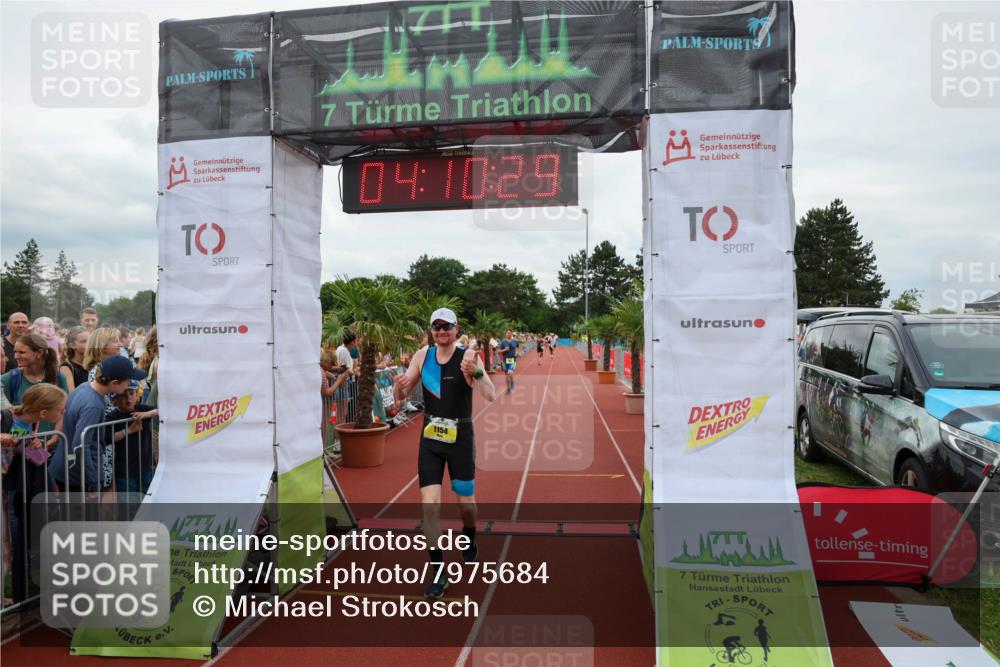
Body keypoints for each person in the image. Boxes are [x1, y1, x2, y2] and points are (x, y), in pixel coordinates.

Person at [394, 308, 495, 599]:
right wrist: (401, 390)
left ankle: (469, 535)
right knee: (430, 505)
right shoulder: (421, 356)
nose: (441, 331)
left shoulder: (467, 357)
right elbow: (402, 395)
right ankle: (439, 571)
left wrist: (475, 372)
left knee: (467, 505)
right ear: (431, 330)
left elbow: (490, 394)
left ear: (456, 328)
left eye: (446, 326)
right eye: (436, 327)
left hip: (460, 437)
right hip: (431, 439)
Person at [2, 383, 67, 602]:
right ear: (44, 412)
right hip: (9, 491)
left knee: (21, 540)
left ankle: (20, 594)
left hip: (22, 488)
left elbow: (28, 452)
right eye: (60, 409)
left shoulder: (32, 423)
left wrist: (34, 444)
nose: (63, 413)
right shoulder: (6, 417)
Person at [49, 356, 146, 494]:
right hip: (79, 477)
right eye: (128, 381)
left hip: (68, 470)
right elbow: (81, 445)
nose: (129, 384)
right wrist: (93, 480)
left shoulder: (84, 387)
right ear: (115, 383)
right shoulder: (94, 405)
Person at [104, 379, 157, 499]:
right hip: (125, 471)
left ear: (137, 395)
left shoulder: (142, 409)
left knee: (147, 500)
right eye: (123, 395)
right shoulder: (113, 416)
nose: (128, 398)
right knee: (129, 506)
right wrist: (129, 430)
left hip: (145, 467)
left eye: (131, 393)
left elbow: (161, 410)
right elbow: (107, 438)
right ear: (114, 399)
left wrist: (147, 414)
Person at [59, 326, 90, 392]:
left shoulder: (93, 364)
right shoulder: (66, 367)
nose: (89, 344)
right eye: (84, 341)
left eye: (90, 340)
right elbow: (72, 396)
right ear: (72, 345)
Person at [498, 329, 518, 394]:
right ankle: (508, 388)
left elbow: (518, 347)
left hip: (512, 359)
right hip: (505, 360)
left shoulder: (515, 341)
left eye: (510, 333)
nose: (508, 334)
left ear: (511, 334)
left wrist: (517, 352)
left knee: (510, 373)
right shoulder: (503, 342)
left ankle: (512, 381)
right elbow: (498, 351)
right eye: (507, 333)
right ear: (506, 334)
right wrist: (504, 349)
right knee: (506, 375)